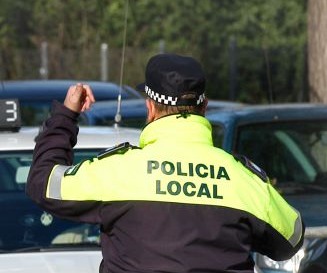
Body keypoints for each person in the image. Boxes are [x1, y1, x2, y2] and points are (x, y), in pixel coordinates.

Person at [26, 53, 304, 273]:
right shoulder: (243, 179)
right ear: (204, 107)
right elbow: (291, 238)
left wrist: (65, 116)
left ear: (150, 107)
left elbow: (45, 181)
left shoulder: (117, 171)